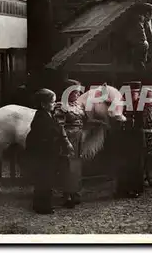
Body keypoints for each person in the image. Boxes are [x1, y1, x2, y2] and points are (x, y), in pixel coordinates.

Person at [26, 88, 74, 214]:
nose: (54, 104)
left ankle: (42, 204)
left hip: (48, 153)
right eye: (52, 102)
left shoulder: (47, 115)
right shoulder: (41, 118)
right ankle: (42, 207)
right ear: (43, 104)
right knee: (44, 180)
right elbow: (44, 137)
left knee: (46, 180)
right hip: (43, 154)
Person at [53, 79, 85, 209]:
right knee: (67, 167)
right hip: (68, 138)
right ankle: (66, 195)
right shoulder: (61, 107)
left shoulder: (78, 105)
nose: (77, 95)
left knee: (76, 167)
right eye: (75, 92)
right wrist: (66, 143)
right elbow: (60, 126)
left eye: (78, 92)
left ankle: (75, 191)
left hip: (78, 139)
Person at [115, 81, 146, 198]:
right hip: (125, 138)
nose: (133, 95)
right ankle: (123, 188)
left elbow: (141, 123)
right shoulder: (122, 104)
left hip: (136, 138)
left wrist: (127, 121)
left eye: (135, 93)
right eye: (131, 93)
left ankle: (135, 188)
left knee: (136, 164)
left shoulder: (141, 105)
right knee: (124, 164)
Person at [126, 3, 152, 71]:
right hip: (129, 42)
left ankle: (146, 61)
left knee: (147, 44)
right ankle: (139, 64)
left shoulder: (146, 20)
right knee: (144, 44)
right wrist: (147, 41)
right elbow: (141, 34)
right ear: (147, 14)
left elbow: (149, 33)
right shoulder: (139, 19)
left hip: (135, 40)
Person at [142, 87, 152, 187]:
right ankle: (143, 177)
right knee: (144, 157)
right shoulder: (142, 111)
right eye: (149, 98)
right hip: (145, 136)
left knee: (151, 157)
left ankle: (150, 176)